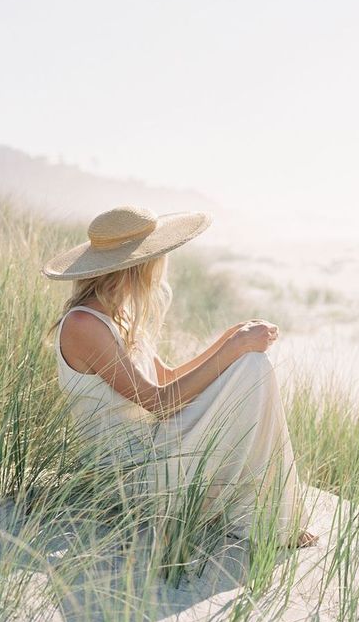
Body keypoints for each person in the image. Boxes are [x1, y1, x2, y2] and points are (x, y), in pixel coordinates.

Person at [42, 205, 317, 547]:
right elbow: (158, 402)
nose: (164, 263)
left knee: (250, 366)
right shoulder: (85, 325)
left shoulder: (120, 316)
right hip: (132, 479)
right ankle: (272, 521)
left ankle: (271, 516)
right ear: (140, 265)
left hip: (155, 451)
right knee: (250, 367)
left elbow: (167, 378)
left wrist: (227, 342)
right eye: (159, 255)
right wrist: (233, 348)